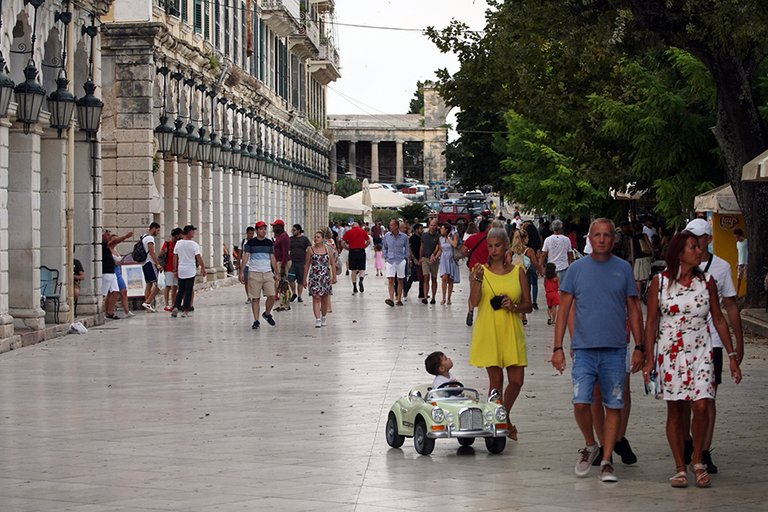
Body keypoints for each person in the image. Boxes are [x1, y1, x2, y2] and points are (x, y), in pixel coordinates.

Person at [643, 231, 742, 488]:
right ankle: (679, 467)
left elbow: (718, 318)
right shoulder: (660, 283)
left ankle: (697, 460)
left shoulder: (706, 281)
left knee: (701, 405)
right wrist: (648, 358)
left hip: (701, 351)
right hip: (670, 353)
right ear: (679, 253)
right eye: (693, 247)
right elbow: (652, 321)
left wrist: (731, 355)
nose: (699, 252)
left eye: (699, 247)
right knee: (676, 410)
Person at [551, 218, 644, 483]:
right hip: (584, 349)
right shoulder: (576, 270)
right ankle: (591, 443)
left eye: (607, 235)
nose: (602, 239)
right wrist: (558, 347)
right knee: (581, 401)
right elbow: (564, 310)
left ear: (614, 239)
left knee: (614, 402)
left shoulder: (623, 269)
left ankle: (607, 460)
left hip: (615, 348)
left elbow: (634, 309)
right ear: (589, 240)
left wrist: (640, 346)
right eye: (597, 235)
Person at [683, 218, 745, 474]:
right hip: (685, 341)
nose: (696, 243)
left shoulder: (721, 267)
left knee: (707, 398)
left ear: (709, 239)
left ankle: (704, 449)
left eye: (700, 238)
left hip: (713, 342)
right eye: (692, 238)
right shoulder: (680, 265)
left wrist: (738, 343)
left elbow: (729, 305)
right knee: (686, 398)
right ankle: (689, 441)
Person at [469, 225, 532, 442]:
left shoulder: (518, 271)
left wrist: (513, 306)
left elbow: (528, 305)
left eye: (497, 246)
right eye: (490, 246)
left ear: (506, 246)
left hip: (512, 330)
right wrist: (476, 281)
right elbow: (473, 303)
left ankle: (501, 415)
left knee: (517, 380)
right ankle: (496, 429)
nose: (493, 250)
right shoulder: (480, 271)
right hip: (489, 330)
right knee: (496, 382)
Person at [240, 221, 278, 329]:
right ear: (256, 231)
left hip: (267, 273)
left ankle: (266, 313)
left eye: (265, 229)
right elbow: (246, 257)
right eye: (261, 229)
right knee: (255, 298)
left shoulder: (269, 242)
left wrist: (277, 272)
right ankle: (256, 320)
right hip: (254, 273)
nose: (263, 231)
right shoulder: (250, 243)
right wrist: (242, 271)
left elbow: (273, 258)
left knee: (272, 296)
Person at [303, 231, 337, 328]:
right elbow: (307, 265)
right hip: (314, 277)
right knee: (316, 297)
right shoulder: (310, 250)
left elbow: (332, 264)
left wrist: (334, 276)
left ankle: (323, 317)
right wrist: (304, 279)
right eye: (315, 237)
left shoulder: (328, 249)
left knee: (325, 298)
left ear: (323, 239)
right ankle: (317, 319)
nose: (316, 238)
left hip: (325, 277)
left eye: (318, 237)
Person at [172, 225, 206, 317]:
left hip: (181, 269)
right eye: (193, 231)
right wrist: (203, 267)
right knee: (188, 290)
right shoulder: (194, 245)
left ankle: (176, 306)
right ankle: (185, 310)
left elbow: (175, 257)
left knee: (181, 290)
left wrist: (175, 269)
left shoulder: (178, 243)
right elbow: (198, 257)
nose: (194, 233)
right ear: (189, 232)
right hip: (190, 270)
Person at [462, 218, 491, 326]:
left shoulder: (472, 239)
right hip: (488, 270)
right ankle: (485, 314)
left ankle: (470, 311)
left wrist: (470, 253)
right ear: (487, 228)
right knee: (487, 292)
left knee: (473, 291)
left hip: (474, 269)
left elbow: (463, 251)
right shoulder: (491, 240)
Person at [102, 229, 132, 319]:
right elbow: (114, 241)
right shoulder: (104, 244)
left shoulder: (112, 247)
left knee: (115, 292)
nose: (108, 236)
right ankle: (102, 312)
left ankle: (110, 312)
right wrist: (125, 237)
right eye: (107, 235)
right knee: (104, 294)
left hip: (113, 272)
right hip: (106, 271)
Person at [383, 219, 409, 307]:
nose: (390, 227)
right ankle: (391, 298)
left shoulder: (404, 237)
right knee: (390, 279)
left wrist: (405, 257)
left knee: (400, 279)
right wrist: (386, 256)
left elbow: (407, 248)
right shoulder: (387, 236)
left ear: (397, 226)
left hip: (400, 259)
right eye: (390, 225)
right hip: (390, 260)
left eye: (392, 225)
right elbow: (384, 247)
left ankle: (399, 299)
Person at [435, 223, 460, 305]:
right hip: (443, 259)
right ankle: (443, 297)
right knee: (444, 278)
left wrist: (449, 238)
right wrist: (435, 257)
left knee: (450, 279)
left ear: (446, 229)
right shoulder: (440, 239)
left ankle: (449, 298)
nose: (441, 230)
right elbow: (440, 249)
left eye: (442, 228)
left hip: (451, 258)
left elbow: (455, 245)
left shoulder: (453, 236)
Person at [110, 234, 134, 319]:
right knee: (113, 293)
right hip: (113, 272)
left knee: (124, 291)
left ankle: (127, 311)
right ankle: (110, 311)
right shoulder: (108, 250)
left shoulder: (115, 250)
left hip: (118, 272)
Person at [342, 221, 370, 294]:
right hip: (361, 251)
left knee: (353, 270)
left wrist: (347, 248)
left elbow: (342, 243)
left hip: (352, 252)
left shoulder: (349, 232)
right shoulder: (362, 231)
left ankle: (354, 287)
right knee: (362, 269)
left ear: (352, 226)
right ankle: (361, 280)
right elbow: (369, 241)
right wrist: (364, 246)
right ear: (358, 226)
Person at [140, 222, 162, 312]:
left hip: (144, 263)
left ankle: (147, 306)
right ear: (153, 228)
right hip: (150, 263)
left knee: (148, 284)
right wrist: (157, 264)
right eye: (157, 230)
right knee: (159, 284)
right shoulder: (150, 238)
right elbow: (152, 252)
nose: (158, 232)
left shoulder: (144, 237)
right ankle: (148, 302)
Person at [159, 228, 183, 312]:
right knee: (168, 286)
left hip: (177, 268)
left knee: (175, 286)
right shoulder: (167, 244)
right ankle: (166, 304)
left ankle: (173, 303)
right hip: (168, 268)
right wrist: (164, 251)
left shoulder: (179, 244)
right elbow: (160, 254)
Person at [288, 224, 311, 303]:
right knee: (290, 278)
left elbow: (309, 248)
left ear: (298, 230)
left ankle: (299, 296)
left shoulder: (304, 239)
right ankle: (294, 293)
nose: (293, 231)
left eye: (294, 230)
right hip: (292, 262)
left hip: (301, 262)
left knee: (300, 280)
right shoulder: (290, 239)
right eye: (292, 230)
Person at [420, 219, 440, 305]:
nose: (432, 227)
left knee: (434, 278)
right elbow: (422, 247)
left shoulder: (438, 236)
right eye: (431, 225)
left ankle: (433, 297)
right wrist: (420, 257)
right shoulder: (424, 235)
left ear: (436, 226)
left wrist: (434, 255)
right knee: (426, 277)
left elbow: (439, 247)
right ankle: (425, 296)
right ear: (429, 226)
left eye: (434, 225)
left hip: (434, 259)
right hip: (425, 258)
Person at [631, 220, 653, 295]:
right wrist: (653, 253)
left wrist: (633, 263)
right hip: (646, 257)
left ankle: (639, 294)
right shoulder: (644, 235)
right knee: (648, 276)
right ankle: (648, 293)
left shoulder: (632, 238)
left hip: (638, 259)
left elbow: (632, 251)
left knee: (638, 279)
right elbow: (649, 246)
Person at [407, 223, 424, 298]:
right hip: (415, 260)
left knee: (422, 277)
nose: (422, 230)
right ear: (416, 229)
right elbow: (409, 249)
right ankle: (405, 290)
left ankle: (422, 293)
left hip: (422, 259)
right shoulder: (412, 238)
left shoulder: (422, 238)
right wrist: (412, 259)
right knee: (413, 276)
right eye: (420, 228)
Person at [734, 228, 747, 296]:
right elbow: (739, 253)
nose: (737, 239)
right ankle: (737, 293)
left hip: (746, 263)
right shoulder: (737, 243)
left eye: (737, 237)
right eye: (736, 237)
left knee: (746, 278)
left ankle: (748, 292)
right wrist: (738, 261)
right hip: (740, 263)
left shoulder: (746, 242)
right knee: (739, 278)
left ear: (741, 235)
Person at [73, 250, 85, 316]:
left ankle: (73, 305)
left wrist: (73, 276)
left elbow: (82, 276)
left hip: (74, 282)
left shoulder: (76, 262)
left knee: (76, 292)